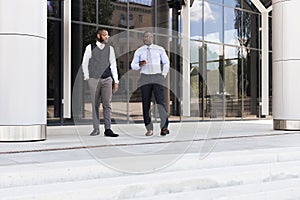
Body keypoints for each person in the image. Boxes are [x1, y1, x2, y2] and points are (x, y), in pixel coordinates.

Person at [131, 31, 170, 136]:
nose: (146, 38)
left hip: (157, 77)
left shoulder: (159, 49)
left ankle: (164, 127)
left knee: (160, 102)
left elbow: (166, 63)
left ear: (152, 38)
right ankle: (149, 128)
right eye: (144, 37)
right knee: (146, 103)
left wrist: (163, 75)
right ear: (143, 39)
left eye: (148, 36)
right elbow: (133, 65)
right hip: (145, 77)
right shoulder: (139, 51)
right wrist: (140, 64)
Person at [81, 28, 119, 137]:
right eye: (105, 35)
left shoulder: (110, 49)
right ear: (98, 36)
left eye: (107, 35)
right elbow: (85, 63)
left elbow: (113, 65)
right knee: (95, 105)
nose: (107, 37)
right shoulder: (90, 47)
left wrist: (116, 81)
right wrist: (87, 77)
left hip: (107, 79)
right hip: (94, 80)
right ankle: (96, 128)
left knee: (107, 105)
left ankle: (108, 129)